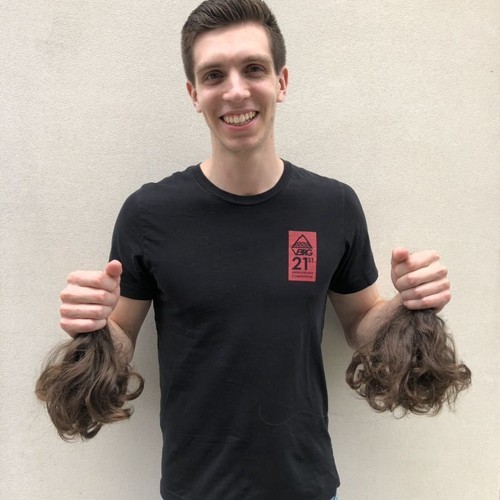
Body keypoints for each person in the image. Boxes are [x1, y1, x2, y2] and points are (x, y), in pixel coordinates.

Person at [59, 1, 451, 498]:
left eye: (253, 69)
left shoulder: (333, 206)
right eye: (214, 75)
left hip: (306, 484)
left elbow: (359, 323)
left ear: (281, 82)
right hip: (195, 487)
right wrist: (93, 323)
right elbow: (122, 340)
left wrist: (408, 303)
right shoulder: (148, 213)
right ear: (194, 93)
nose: (236, 90)